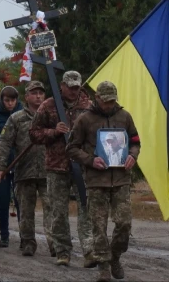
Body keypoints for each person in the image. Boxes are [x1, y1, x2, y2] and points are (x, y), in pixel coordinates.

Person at [67, 81, 140, 282]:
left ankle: (115, 256)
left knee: (124, 224)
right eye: (105, 101)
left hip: (121, 180)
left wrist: (133, 155)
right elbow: (72, 148)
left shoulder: (125, 117)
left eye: (112, 101)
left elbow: (135, 141)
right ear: (97, 98)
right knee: (98, 226)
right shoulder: (85, 120)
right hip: (96, 181)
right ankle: (103, 266)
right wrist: (91, 160)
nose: (108, 105)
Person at [30, 71, 95, 267]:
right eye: (71, 86)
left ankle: (89, 250)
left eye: (77, 87)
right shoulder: (48, 105)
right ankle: (62, 251)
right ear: (62, 86)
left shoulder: (89, 106)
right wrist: (53, 132)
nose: (74, 90)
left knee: (86, 206)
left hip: (82, 165)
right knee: (58, 211)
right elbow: (34, 133)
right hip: (56, 166)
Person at [0, 81, 53, 257]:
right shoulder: (16, 118)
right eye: (34, 93)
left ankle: (54, 243)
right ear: (27, 97)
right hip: (24, 171)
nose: (38, 96)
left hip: (48, 170)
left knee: (52, 209)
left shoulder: (51, 116)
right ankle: (28, 242)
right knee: (26, 211)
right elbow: (5, 144)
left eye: (41, 93)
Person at [0, 86, 23, 247]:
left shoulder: (23, 116)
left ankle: (25, 235)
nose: (10, 103)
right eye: (7, 100)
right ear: (2, 100)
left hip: (20, 165)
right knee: (3, 201)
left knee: (21, 201)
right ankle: (4, 235)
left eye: (13, 100)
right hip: (1, 166)